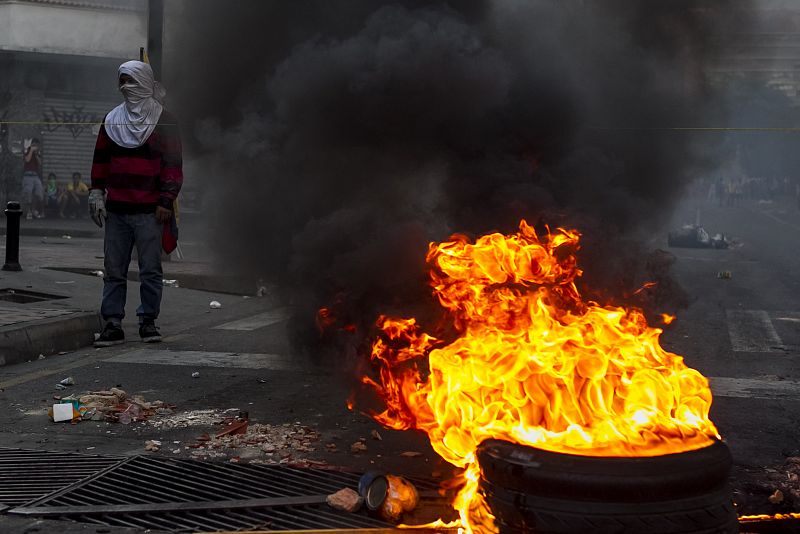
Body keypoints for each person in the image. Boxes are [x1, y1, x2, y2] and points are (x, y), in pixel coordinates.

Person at [89, 60, 182, 346]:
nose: (126, 87)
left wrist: (166, 200)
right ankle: (113, 324)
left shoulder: (164, 120)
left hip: (150, 211)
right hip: (118, 210)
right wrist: (96, 192)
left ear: (145, 82)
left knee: (150, 270)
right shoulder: (112, 120)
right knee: (114, 270)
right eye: (122, 81)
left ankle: (148, 322)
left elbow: (173, 165)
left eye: (132, 81)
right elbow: (101, 161)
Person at [22, 137, 44, 219]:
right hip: (28, 175)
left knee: (39, 193)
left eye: (37, 145)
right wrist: (31, 150)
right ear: (31, 145)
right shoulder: (27, 151)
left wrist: (36, 154)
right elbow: (27, 160)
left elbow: (40, 163)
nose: (35, 146)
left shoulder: (38, 153)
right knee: (28, 194)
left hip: (35, 176)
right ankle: (29, 212)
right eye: (34, 145)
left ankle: (34, 210)